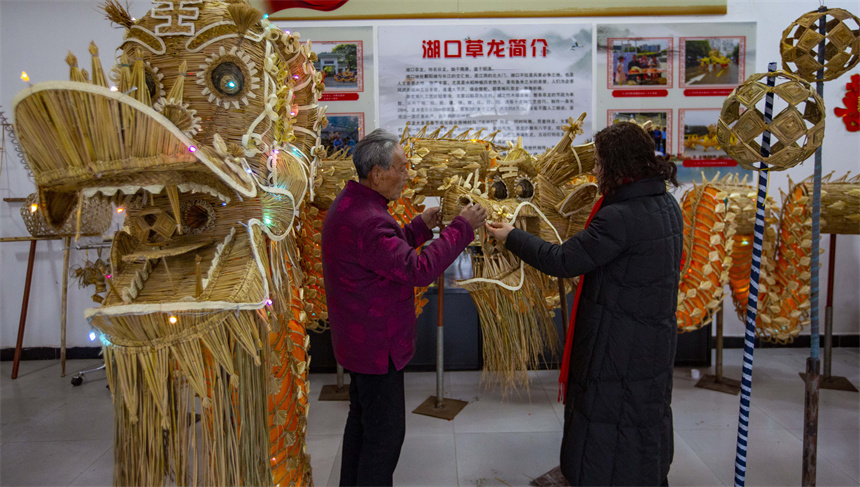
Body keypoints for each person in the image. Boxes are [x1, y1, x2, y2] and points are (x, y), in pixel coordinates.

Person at [485, 122, 682, 486]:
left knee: (609, 421)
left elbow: (562, 261)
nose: (595, 171)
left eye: (599, 163)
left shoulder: (619, 217)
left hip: (618, 343)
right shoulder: (665, 204)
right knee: (643, 414)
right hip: (652, 339)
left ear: (617, 165)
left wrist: (513, 236)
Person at [322, 129, 487, 486]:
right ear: (377, 174)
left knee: (362, 424)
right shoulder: (369, 219)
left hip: (358, 342)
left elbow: (382, 257)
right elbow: (417, 269)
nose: (407, 174)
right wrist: (462, 228)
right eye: (401, 167)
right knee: (384, 438)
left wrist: (419, 227)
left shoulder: (353, 204)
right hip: (376, 346)